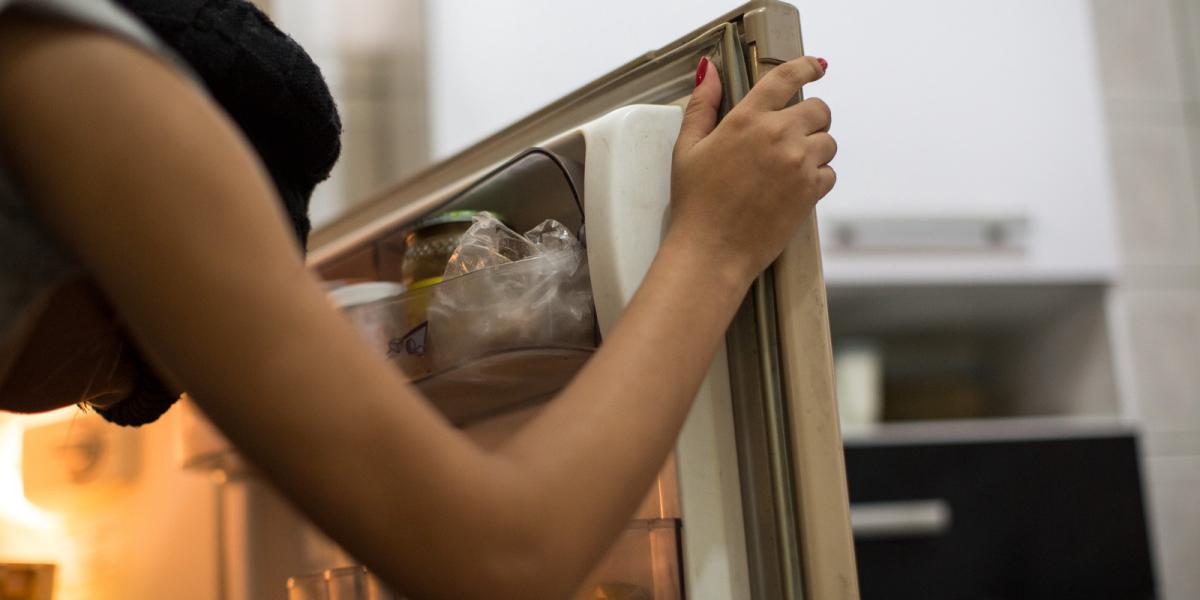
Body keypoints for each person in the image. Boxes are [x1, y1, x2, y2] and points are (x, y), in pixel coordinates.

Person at [0, 0, 836, 597]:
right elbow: (503, 560)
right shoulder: (88, 84)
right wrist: (713, 247)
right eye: (101, 384)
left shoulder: (66, 72)